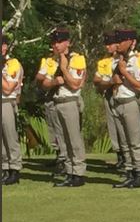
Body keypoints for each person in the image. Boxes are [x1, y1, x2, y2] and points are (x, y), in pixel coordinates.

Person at [36, 27, 87, 187]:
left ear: (67, 43)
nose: (56, 45)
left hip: (70, 100)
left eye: (59, 42)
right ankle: (70, 171)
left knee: (74, 139)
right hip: (57, 101)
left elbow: (75, 84)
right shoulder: (52, 60)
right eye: (54, 42)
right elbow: (44, 83)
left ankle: (78, 173)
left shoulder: (76, 59)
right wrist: (53, 82)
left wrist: (64, 69)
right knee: (63, 140)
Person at [108, 27, 140, 189]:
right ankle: (129, 171)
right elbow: (113, 80)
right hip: (117, 101)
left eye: (121, 41)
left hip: (130, 101)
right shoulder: (116, 60)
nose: (118, 44)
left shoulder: (139, 59)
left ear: (131, 42)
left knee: (135, 140)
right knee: (124, 142)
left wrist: (124, 73)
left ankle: (139, 173)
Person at [93, 33, 126, 173]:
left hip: (122, 95)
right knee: (113, 126)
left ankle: (129, 157)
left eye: (110, 44)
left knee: (125, 127)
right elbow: (96, 79)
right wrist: (109, 82)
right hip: (109, 94)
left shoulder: (124, 59)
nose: (108, 47)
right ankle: (120, 156)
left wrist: (106, 82)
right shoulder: (105, 61)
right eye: (106, 44)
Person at [1, 33, 23, 185]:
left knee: (10, 137)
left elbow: (8, 88)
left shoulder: (13, 63)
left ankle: (14, 168)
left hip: (6, 102)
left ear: (4, 47)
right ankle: (5, 167)